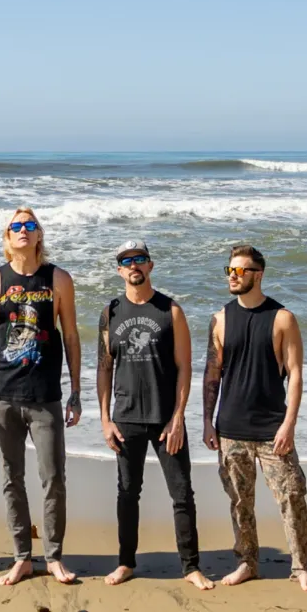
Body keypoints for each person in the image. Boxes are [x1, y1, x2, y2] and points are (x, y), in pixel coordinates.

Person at [0, 207, 82, 586]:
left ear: (38, 235)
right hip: (3, 393)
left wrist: (76, 391)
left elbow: (71, 336)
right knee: (11, 478)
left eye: (30, 225)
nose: (23, 230)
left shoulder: (58, 279)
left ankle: (53, 557)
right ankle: (21, 557)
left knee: (54, 478)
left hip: (45, 395)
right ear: (7, 236)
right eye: (15, 226)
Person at [97, 240, 214, 590]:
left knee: (182, 494)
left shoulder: (170, 310)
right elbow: (104, 368)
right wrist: (105, 420)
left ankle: (191, 567)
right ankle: (125, 563)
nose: (134, 265)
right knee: (127, 493)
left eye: (140, 259)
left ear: (150, 265)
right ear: (119, 271)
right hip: (126, 418)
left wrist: (178, 417)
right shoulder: (110, 313)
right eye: (126, 261)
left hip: (166, 420)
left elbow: (184, 367)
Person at [202, 245, 307, 592]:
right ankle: (247, 563)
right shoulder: (220, 319)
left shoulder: (282, 318)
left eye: (241, 271)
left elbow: (295, 374)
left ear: (259, 275)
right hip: (231, 428)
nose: (233, 276)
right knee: (240, 502)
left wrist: (289, 424)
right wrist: (208, 422)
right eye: (230, 270)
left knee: (292, 495)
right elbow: (212, 374)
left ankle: (301, 566)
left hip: (272, 429)